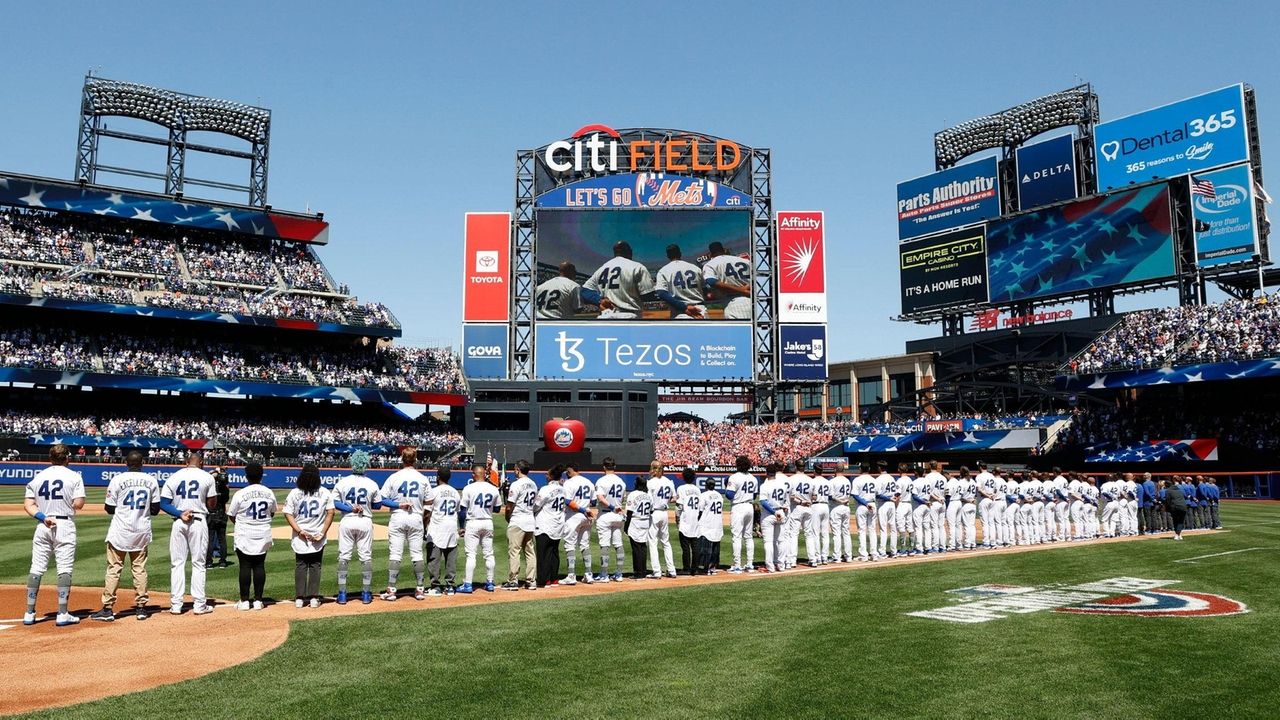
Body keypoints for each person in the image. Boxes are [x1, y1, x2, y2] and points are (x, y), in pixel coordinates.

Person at [90, 450, 160, 622]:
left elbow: (109, 508)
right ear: (142, 463)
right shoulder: (151, 480)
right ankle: (141, 608)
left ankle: (107, 609)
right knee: (139, 569)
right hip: (141, 530)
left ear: (126, 463)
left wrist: (123, 509)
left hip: (120, 530)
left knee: (114, 569)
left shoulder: (117, 479)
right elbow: (156, 509)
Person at [23, 444, 86, 626]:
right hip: (64, 524)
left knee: (36, 567)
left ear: (50, 458)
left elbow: (28, 505)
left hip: (43, 524)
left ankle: (29, 613)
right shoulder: (74, 476)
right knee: (64, 568)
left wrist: (44, 517)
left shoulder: (38, 477)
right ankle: (62, 613)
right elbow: (79, 504)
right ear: (67, 457)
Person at [160, 452, 217, 615]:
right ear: (202, 463)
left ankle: (176, 605)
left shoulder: (174, 476)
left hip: (179, 521)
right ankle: (199, 605)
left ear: (186, 462)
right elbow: (212, 504)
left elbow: (163, 503)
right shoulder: (207, 477)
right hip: (198, 520)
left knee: (177, 563)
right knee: (198, 563)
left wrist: (179, 513)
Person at [331, 451, 385, 604]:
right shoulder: (372, 483)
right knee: (366, 557)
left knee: (344, 557)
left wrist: (349, 508)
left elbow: (334, 503)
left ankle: (342, 594)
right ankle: (366, 594)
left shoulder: (342, 482)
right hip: (365, 521)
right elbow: (378, 505)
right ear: (366, 464)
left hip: (347, 521)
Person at [379, 448, 427, 601]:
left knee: (395, 554)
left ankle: (392, 590)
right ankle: (420, 589)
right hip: (416, 517)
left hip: (398, 516)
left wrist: (399, 504)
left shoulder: (394, 477)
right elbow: (430, 500)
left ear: (402, 459)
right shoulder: (422, 478)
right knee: (417, 554)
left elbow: (382, 499)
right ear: (415, 459)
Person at [227, 462, 277, 610]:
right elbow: (272, 512)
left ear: (246, 476)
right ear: (262, 475)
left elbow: (232, 515)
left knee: (245, 566)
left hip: (245, 533)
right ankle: (258, 600)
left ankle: (244, 601)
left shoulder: (240, 493)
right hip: (263, 531)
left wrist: (243, 522)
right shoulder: (268, 492)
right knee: (259, 565)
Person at [283, 463, 335, 608]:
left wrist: (299, 531)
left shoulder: (295, 492)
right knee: (315, 565)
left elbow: (288, 513)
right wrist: (322, 532)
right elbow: (331, 512)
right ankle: (313, 597)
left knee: (300, 565)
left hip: (300, 534)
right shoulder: (324, 492)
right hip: (317, 534)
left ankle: (299, 598)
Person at [584, 241, 655, 319]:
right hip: (629, 316)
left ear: (615, 252)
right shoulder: (637, 267)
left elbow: (584, 290)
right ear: (630, 252)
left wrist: (599, 300)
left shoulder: (602, 269)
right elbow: (648, 296)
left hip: (606, 315)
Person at [459, 463, 502, 593]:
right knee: (489, 554)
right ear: (485, 474)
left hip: (473, 522)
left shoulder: (468, 488)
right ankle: (490, 583)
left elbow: (462, 511)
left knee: (471, 555)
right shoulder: (493, 488)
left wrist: (461, 527)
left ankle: (467, 584)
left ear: (473, 475)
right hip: (487, 521)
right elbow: (498, 508)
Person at [424, 467, 462, 595]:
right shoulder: (455, 493)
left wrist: (424, 527)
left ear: (437, 477)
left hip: (437, 528)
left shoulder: (433, 492)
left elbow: (427, 513)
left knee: (434, 558)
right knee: (451, 557)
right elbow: (458, 511)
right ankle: (450, 585)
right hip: (451, 527)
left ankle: (435, 586)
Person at [502, 460, 538, 590]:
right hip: (530, 519)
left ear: (518, 469)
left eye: (515, 469)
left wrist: (508, 518)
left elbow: (509, 505)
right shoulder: (533, 484)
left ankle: (513, 580)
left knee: (514, 551)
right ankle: (531, 580)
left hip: (518, 520)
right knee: (530, 552)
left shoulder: (516, 484)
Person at [560, 463, 596, 585]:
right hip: (587, 516)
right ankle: (589, 574)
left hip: (574, 516)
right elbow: (594, 501)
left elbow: (568, 501)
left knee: (570, 545)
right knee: (585, 545)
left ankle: (571, 575)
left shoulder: (569, 483)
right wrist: (585, 508)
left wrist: (582, 509)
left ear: (569, 471)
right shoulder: (589, 482)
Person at [592, 458, 627, 582]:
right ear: (615, 466)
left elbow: (601, 498)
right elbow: (623, 498)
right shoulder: (621, 481)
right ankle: (619, 573)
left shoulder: (601, 480)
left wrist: (611, 506)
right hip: (618, 515)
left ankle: (604, 574)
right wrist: (615, 506)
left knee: (604, 545)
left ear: (604, 467)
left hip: (606, 514)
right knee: (618, 544)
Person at [533, 465, 568, 588]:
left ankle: (544, 580)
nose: (545, 476)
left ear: (552, 476)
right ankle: (554, 578)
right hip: (558, 523)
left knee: (543, 553)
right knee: (554, 552)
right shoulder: (563, 489)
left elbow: (537, 505)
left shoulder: (545, 489)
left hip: (545, 523)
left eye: (547, 474)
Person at [701, 241, 752, 319]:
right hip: (753, 299)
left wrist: (741, 290)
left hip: (733, 304)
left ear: (710, 254)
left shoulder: (710, 264)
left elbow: (711, 281)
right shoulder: (744, 260)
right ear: (724, 250)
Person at [724, 455, 759, 572]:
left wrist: (726, 486)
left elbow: (729, 495)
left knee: (737, 537)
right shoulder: (753, 478)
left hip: (738, 507)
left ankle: (737, 565)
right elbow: (754, 495)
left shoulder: (734, 477)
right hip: (750, 506)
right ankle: (749, 564)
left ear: (737, 465)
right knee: (748, 537)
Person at [654, 244, 707, 319]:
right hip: (699, 310)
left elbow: (662, 293)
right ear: (680, 253)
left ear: (668, 256)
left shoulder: (663, 271)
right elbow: (705, 289)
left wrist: (684, 307)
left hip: (680, 311)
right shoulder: (695, 268)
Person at [646, 461, 678, 578]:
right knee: (666, 542)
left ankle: (657, 571)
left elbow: (649, 500)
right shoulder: (669, 482)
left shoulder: (650, 483)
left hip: (654, 513)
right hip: (664, 512)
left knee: (653, 542)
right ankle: (672, 569)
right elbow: (674, 498)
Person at [758, 463, 790, 572]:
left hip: (769, 514)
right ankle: (781, 565)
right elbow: (785, 501)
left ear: (767, 473)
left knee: (768, 541)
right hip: (781, 511)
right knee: (781, 540)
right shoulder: (782, 484)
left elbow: (763, 502)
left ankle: (770, 566)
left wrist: (773, 511)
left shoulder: (764, 485)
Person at [624, 475, 654, 579]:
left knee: (636, 548)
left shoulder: (632, 494)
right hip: (645, 521)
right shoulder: (648, 495)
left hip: (635, 522)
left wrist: (626, 526)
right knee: (643, 547)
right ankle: (643, 571)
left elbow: (629, 512)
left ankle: (637, 572)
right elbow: (652, 510)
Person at [675, 467, 703, 574]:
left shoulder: (681, 488)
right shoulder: (697, 489)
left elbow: (679, 506)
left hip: (685, 518)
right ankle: (694, 568)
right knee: (695, 546)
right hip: (695, 518)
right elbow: (700, 507)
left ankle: (686, 568)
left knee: (685, 546)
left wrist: (677, 518)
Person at [696, 477, 725, 574]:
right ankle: (713, 567)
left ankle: (704, 568)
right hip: (717, 522)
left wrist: (697, 520)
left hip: (707, 523)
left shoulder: (703, 495)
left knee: (705, 547)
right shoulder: (719, 496)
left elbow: (700, 510)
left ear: (706, 485)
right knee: (715, 546)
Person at [206, 467, 231, 569]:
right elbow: (225, 500)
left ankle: (209, 562)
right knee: (222, 539)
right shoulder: (225, 488)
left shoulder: (211, 488)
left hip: (211, 514)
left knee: (210, 539)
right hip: (222, 514)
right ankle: (223, 561)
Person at [829, 467, 853, 562]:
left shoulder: (832, 481)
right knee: (846, 532)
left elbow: (830, 496)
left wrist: (840, 500)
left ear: (835, 470)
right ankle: (848, 556)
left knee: (836, 533)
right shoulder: (847, 481)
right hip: (846, 507)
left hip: (836, 507)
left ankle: (837, 557)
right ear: (843, 470)